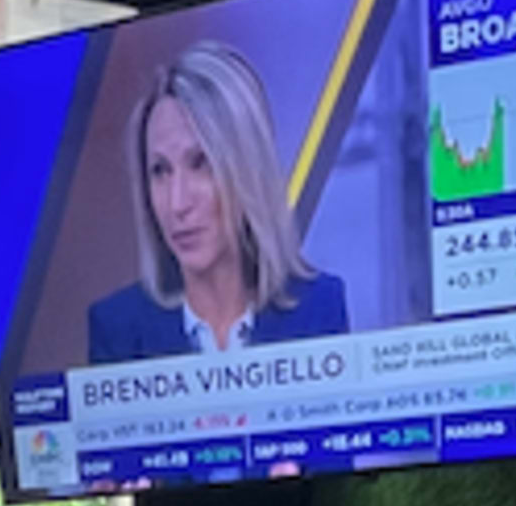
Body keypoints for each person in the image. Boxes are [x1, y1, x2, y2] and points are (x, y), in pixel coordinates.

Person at [82, 42, 348, 357]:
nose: (177, 204)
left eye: (201, 162)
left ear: (247, 167)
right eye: (160, 170)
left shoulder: (318, 309)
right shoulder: (117, 329)